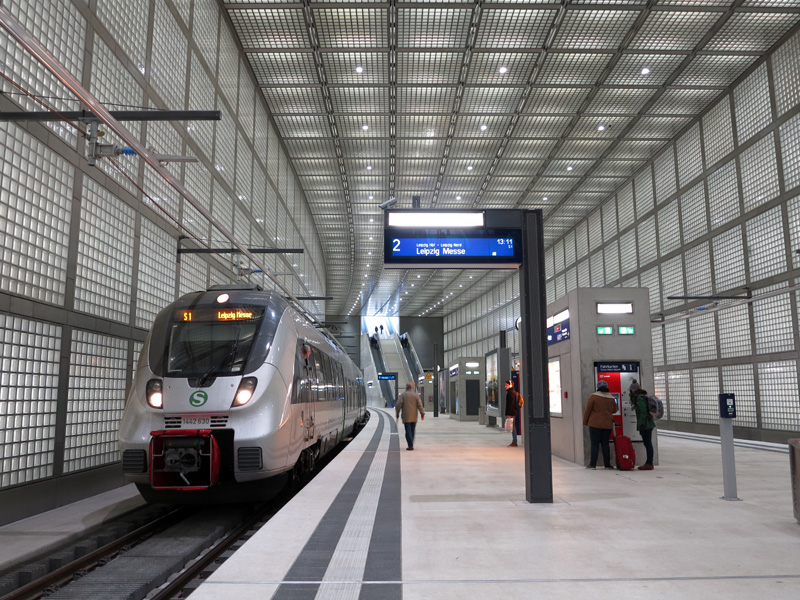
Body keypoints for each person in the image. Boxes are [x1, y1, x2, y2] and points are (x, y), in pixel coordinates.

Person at [582, 380, 616, 469]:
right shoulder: (611, 398)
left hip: (595, 424)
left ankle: (593, 464)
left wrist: (585, 422)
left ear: (598, 387)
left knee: (594, 444)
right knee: (605, 444)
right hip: (607, 425)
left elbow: (587, 410)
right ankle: (607, 464)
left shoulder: (593, 397)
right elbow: (615, 410)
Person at [631, 387, 656, 470]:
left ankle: (649, 463)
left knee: (648, 444)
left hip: (646, 425)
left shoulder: (640, 399)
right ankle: (649, 462)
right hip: (648, 424)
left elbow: (643, 412)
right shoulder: (642, 397)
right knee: (647, 444)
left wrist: (641, 425)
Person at [396, 382, 424, 450]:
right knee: (412, 430)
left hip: (406, 416)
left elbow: (398, 405)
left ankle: (410, 445)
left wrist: (397, 413)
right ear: (411, 388)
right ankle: (411, 443)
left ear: (406, 387)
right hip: (414, 416)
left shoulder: (403, 395)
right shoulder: (415, 395)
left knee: (408, 430)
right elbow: (420, 405)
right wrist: (422, 413)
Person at [504, 380, 522, 447]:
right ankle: (514, 441)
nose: (505, 386)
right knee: (512, 427)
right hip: (513, 412)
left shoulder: (510, 393)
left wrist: (508, 414)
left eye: (506, 385)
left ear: (510, 385)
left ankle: (514, 441)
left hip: (511, 413)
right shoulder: (512, 392)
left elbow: (510, 404)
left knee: (512, 427)